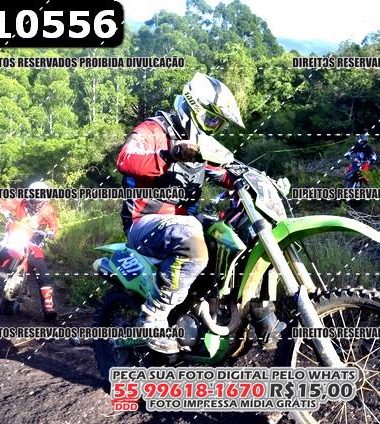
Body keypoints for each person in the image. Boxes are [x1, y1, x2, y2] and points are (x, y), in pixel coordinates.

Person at [116, 72, 286, 354]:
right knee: (192, 231)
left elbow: (224, 172)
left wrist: (260, 181)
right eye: (211, 119)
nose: (213, 127)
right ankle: (153, 318)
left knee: (236, 236)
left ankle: (254, 314)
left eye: (218, 123)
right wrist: (171, 155)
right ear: (191, 107)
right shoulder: (153, 130)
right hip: (143, 224)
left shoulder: (199, 145)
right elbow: (125, 159)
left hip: (183, 222)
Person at [0, 181, 59, 321]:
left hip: (32, 242)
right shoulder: (20, 201)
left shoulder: (48, 210)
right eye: (33, 199)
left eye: (38, 200)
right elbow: (4, 204)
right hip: (13, 236)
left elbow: (54, 227)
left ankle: (48, 307)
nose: (35, 203)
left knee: (41, 269)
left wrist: (50, 233)